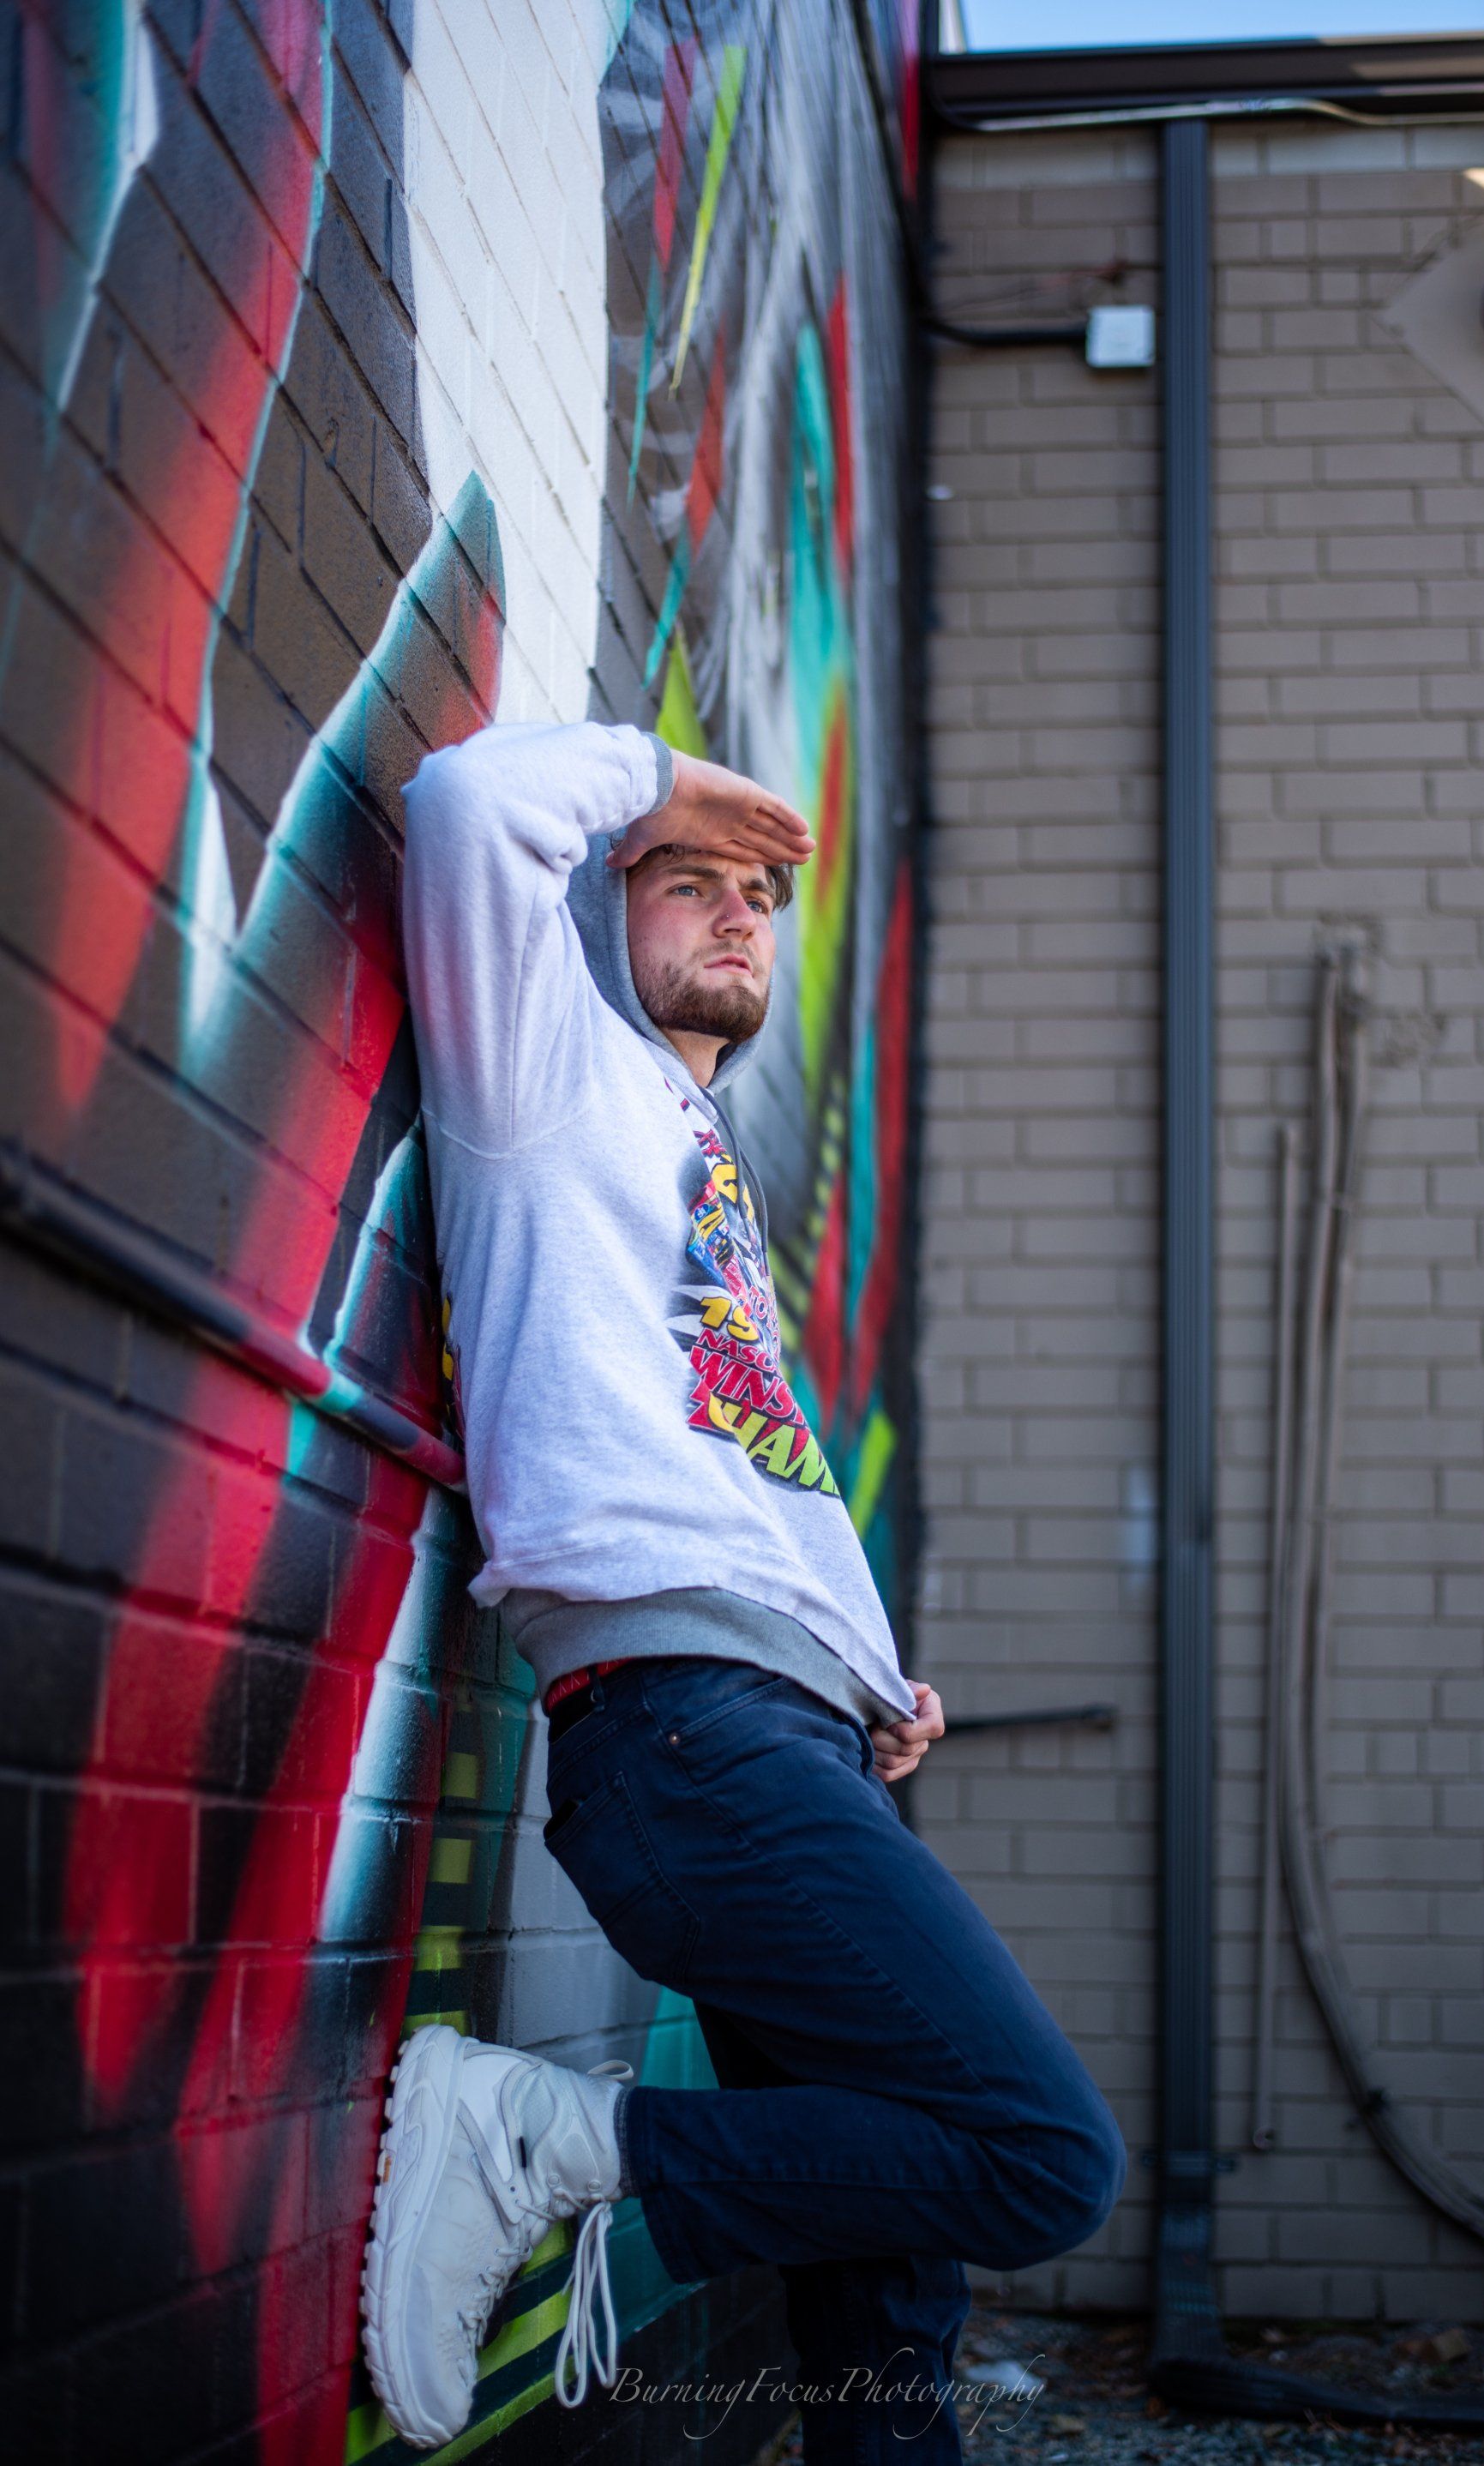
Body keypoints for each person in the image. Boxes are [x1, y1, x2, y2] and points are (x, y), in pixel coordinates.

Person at [359, 721, 1125, 2459]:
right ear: (600, 906)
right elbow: (472, 804)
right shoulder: (549, 1067)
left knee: (890, 2296)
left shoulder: (691, 1146)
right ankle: (552, 2139)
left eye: (759, 897)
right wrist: (672, 780)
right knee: (1040, 2155)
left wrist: (864, 1668)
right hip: (687, 1734)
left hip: (776, 1726)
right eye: (687, 881)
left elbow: (741, 1464)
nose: (736, 910)